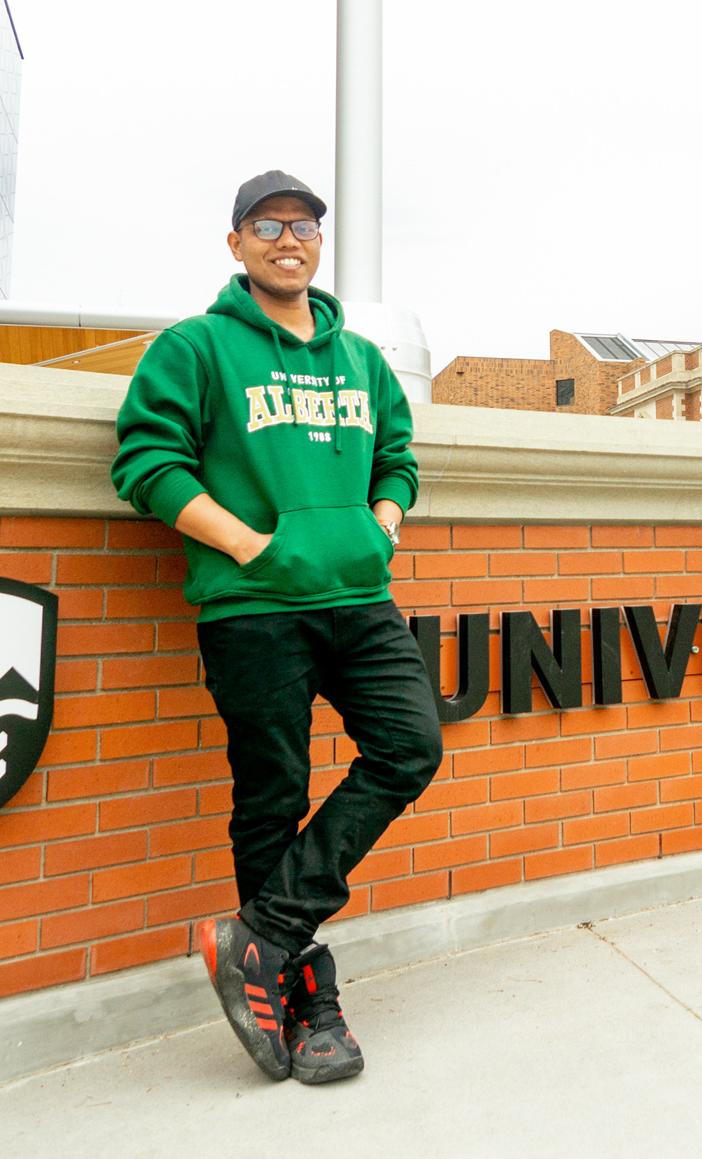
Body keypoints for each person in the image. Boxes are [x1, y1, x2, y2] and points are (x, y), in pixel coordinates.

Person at [110, 170, 442, 1084]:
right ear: (237, 244)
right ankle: (309, 1003)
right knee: (272, 801)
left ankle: (260, 936)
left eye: (304, 226)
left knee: (411, 747)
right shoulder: (196, 347)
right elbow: (146, 462)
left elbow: (400, 455)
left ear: (318, 243)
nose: (288, 239)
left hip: (357, 600)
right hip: (254, 610)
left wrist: (383, 519)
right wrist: (252, 548)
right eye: (267, 225)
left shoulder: (361, 360)